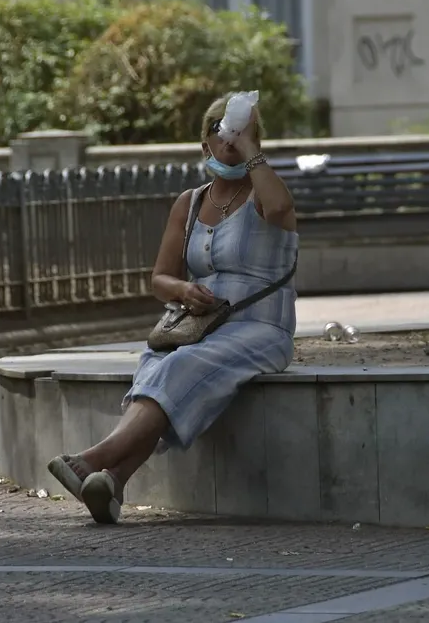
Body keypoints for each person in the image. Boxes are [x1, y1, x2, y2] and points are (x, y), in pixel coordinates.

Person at [47, 92, 299, 524]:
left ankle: (94, 458)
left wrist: (250, 149)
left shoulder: (263, 194)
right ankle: (113, 483)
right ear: (205, 144)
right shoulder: (190, 202)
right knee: (158, 363)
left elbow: (280, 208)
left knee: (182, 366)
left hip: (260, 329)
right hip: (201, 327)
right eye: (221, 130)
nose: (230, 139)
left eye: (244, 132)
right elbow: (159, 278)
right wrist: (183, 289)